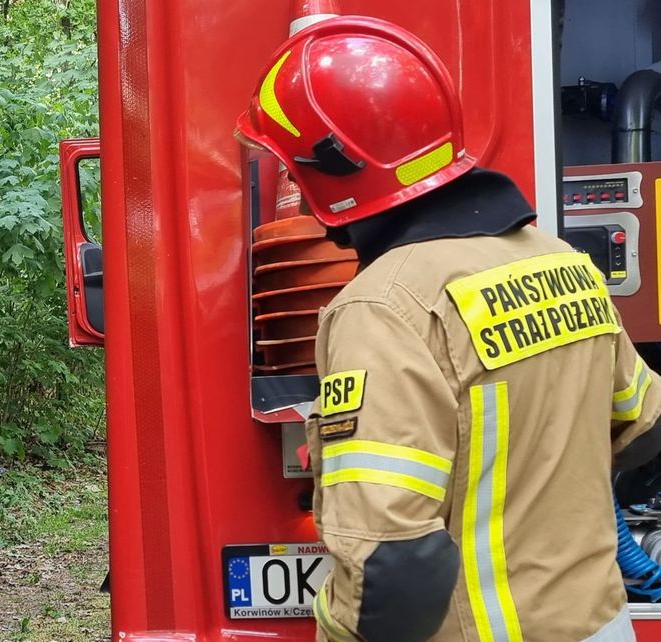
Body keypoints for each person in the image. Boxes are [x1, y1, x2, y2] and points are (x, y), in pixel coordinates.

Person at [235, 12, 661, 642]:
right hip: (601, 626)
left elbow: (395, 566)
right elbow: (644, 423)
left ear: (329, 171)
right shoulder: (560, 261)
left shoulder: (383, 308)